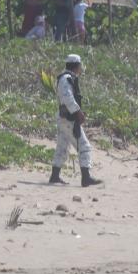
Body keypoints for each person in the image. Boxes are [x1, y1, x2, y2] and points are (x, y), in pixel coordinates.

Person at [49, 54, 102, 187]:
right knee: (84, 146)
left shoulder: (66, 78)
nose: (81, 68)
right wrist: (78, 112)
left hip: (64, 118)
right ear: (76, 65)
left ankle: (54, 176)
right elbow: (68, 98)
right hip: (69, 119)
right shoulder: (67, 79)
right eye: (80, 65)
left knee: (62, 147)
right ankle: (86, 178)